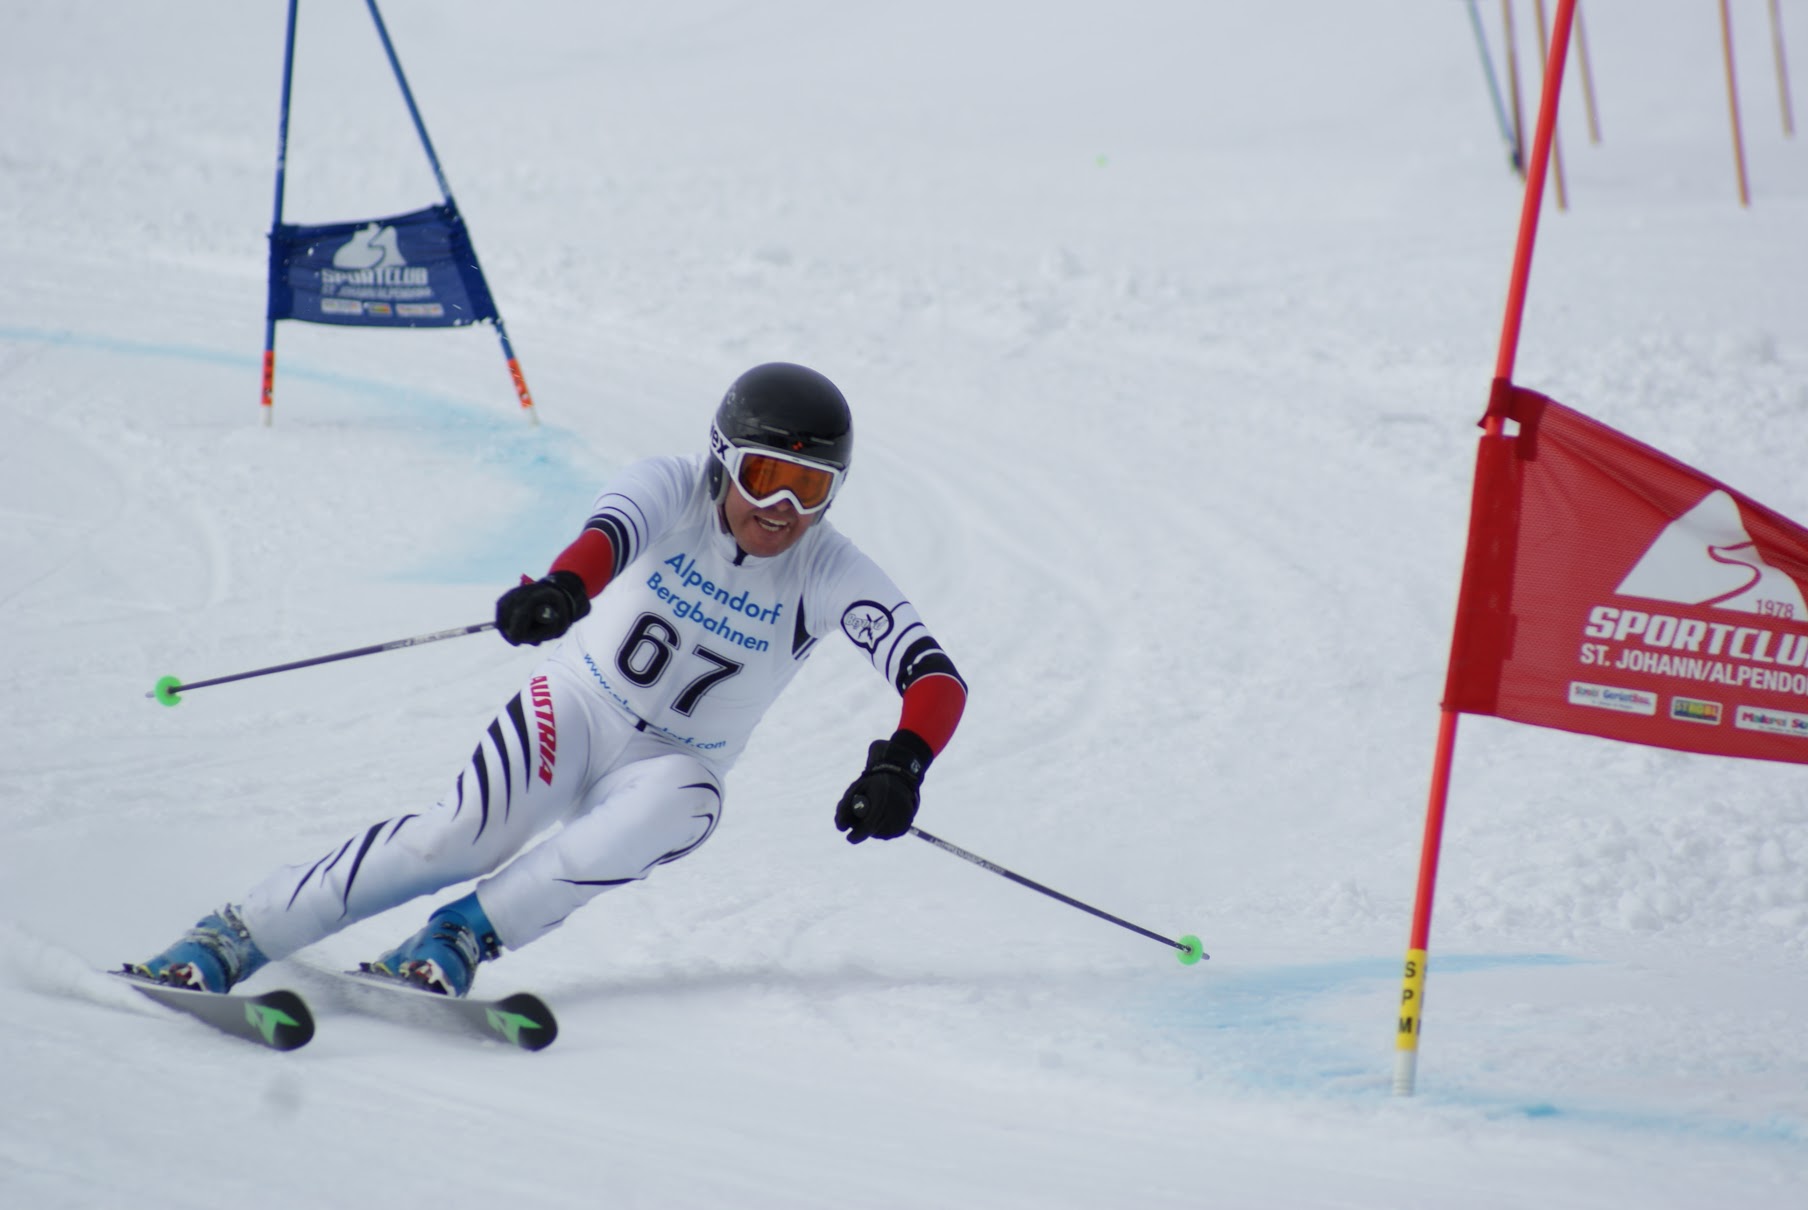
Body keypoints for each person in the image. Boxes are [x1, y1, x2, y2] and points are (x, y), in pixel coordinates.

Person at [128, 362, 967, 997]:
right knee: (459, 837)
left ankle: (459, 939)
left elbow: (936, 679)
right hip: (579, 703)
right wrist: (566, 589)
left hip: (672, 763)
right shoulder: (674, 486)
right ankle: (235, 936)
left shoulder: (826, 569)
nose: (782, 511)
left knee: (690, 804)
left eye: (809, 489)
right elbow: (611, 532)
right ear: (722, 461)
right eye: (764, 477)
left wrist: (903, 764)